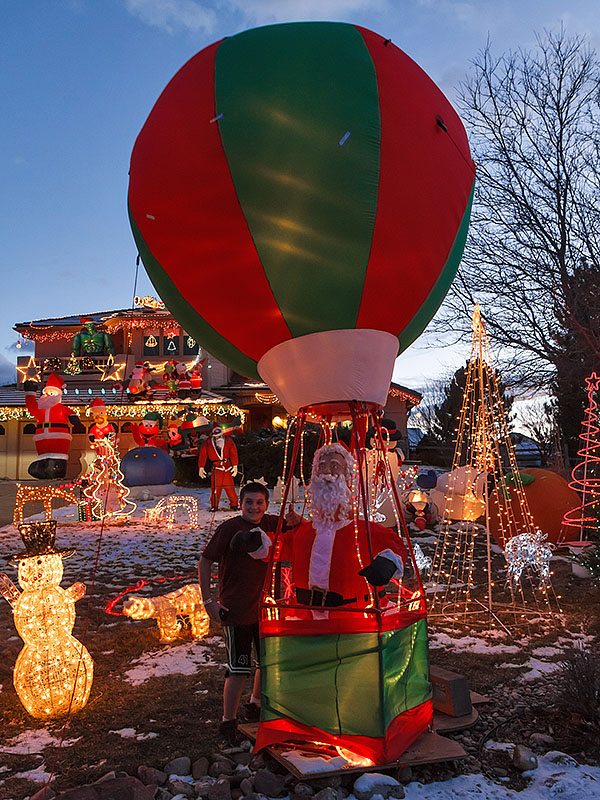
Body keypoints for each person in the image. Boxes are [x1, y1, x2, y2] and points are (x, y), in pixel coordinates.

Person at [198, 482, 299, 743]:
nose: (254, 507)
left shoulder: (272, 524)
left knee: (266, 662)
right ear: (240, 503)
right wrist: (209, 601)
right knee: (238, 669)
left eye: (259, 502)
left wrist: (297, 520)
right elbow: (206, 560)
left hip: (266, 608)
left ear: (267, 505)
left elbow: (301, 530)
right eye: (249, 502)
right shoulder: (230, 529)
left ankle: (255, 704)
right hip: (236, 608)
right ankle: (228, 721)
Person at [279, 442, 408, 609]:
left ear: (347, 477)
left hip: (354, 618)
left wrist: (387, 562)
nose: (326, 472)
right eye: (322, 466)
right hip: (306, 619)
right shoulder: (304, 532)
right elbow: (279, 547)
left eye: (334, 466)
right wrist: (256, 541)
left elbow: (394, 544)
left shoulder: (361, 530)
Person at [198, 423, 239, 511]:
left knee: (230, 487)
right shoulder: (208, 443)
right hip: (216, 469)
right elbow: (203, 455)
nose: (218, 439)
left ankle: (234, 504)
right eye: (216, 437)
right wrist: (201, 467)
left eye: (219, 436)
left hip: (227, 467)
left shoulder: (228, 441)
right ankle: (214, 505)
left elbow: (233, 453)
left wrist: (235, 465)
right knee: (215, 489)